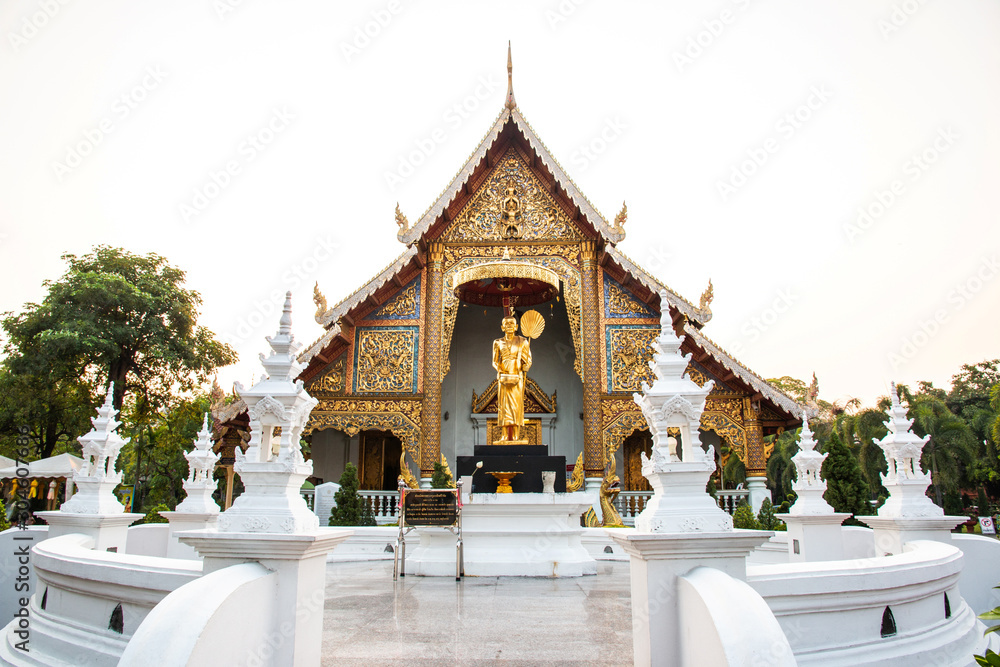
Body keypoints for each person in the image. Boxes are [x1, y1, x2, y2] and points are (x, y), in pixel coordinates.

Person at [492, 314, 532, 442]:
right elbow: (494, 361)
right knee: (503, 407)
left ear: (516, 327)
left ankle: (515, 435)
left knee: (516, 407)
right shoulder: (497, 342)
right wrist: (499, 369)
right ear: (502, 327)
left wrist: (526, 366)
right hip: (504, 378)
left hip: (517, 377)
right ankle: (504, 435)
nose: (509, 326)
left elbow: (528, 360)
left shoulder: (522, 341)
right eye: (506, 324)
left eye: (511, 324)